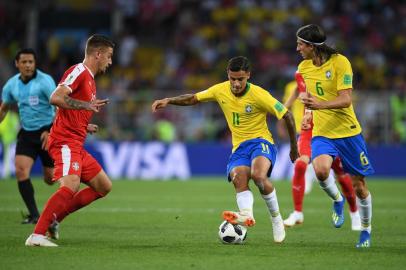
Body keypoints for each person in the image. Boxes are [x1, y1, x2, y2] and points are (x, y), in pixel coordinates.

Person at [152, 56, 299, 243]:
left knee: (259, 176)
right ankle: (246, 215)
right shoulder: (219, 90)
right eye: (232, 79)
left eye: (240, 79)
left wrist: (294, 148)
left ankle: (276, 219)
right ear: (228, 76)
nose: (236, 83)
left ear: (248, 76)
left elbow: (288, 116)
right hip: (239, 147)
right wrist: (169, 100)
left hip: (261, 142)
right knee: (239, 179)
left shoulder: (259, 94)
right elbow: (193, 98)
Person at [25, 34, 115, 247]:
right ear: (98, 54)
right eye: (109, 56)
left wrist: (83, 124)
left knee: (103, 186)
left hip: (76, 141)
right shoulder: (79, 72)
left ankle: (54, 220)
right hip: (65, 142)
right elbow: (55, 97)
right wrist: (84, 106)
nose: (110, 62)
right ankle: (36, 236)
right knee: (70, 185)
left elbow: (62, 107)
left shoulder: (90, 80)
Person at [296, 24, 374, 248]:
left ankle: (366, 230)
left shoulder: (341, 62)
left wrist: (319, 106)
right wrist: (308, 114)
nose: (297, 48)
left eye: (301, 44)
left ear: (312, 46)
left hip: (348, 132)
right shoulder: (304, 67)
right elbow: (311, 98)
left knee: (359, 185)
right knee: (320, 171)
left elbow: (346, 99)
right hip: (322, 132)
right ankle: (338, 200)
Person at [282, 73, 361, 231]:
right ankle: (298, 212)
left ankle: (354, 212)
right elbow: (300, 87)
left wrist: (311, 112)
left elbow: (339, 98)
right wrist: (285, 108)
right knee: (300, 165)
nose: (299, 48)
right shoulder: (302, 71)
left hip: (329, 129)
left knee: (340, 173)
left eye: (301, 45)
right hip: (308, 130)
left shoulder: (330, 71)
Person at [0, 48, 56, 224]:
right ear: (17, 64)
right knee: (20, 170)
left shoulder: (45, 82)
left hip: (47, 132)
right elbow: (5, 108)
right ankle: (34, 215)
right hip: (27, 134)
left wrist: (52, 131)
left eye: (31, 62)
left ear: (35, 63)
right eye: (24, 62)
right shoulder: (11, 85)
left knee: (50, 179)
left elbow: (60, 108)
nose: (28, 65)